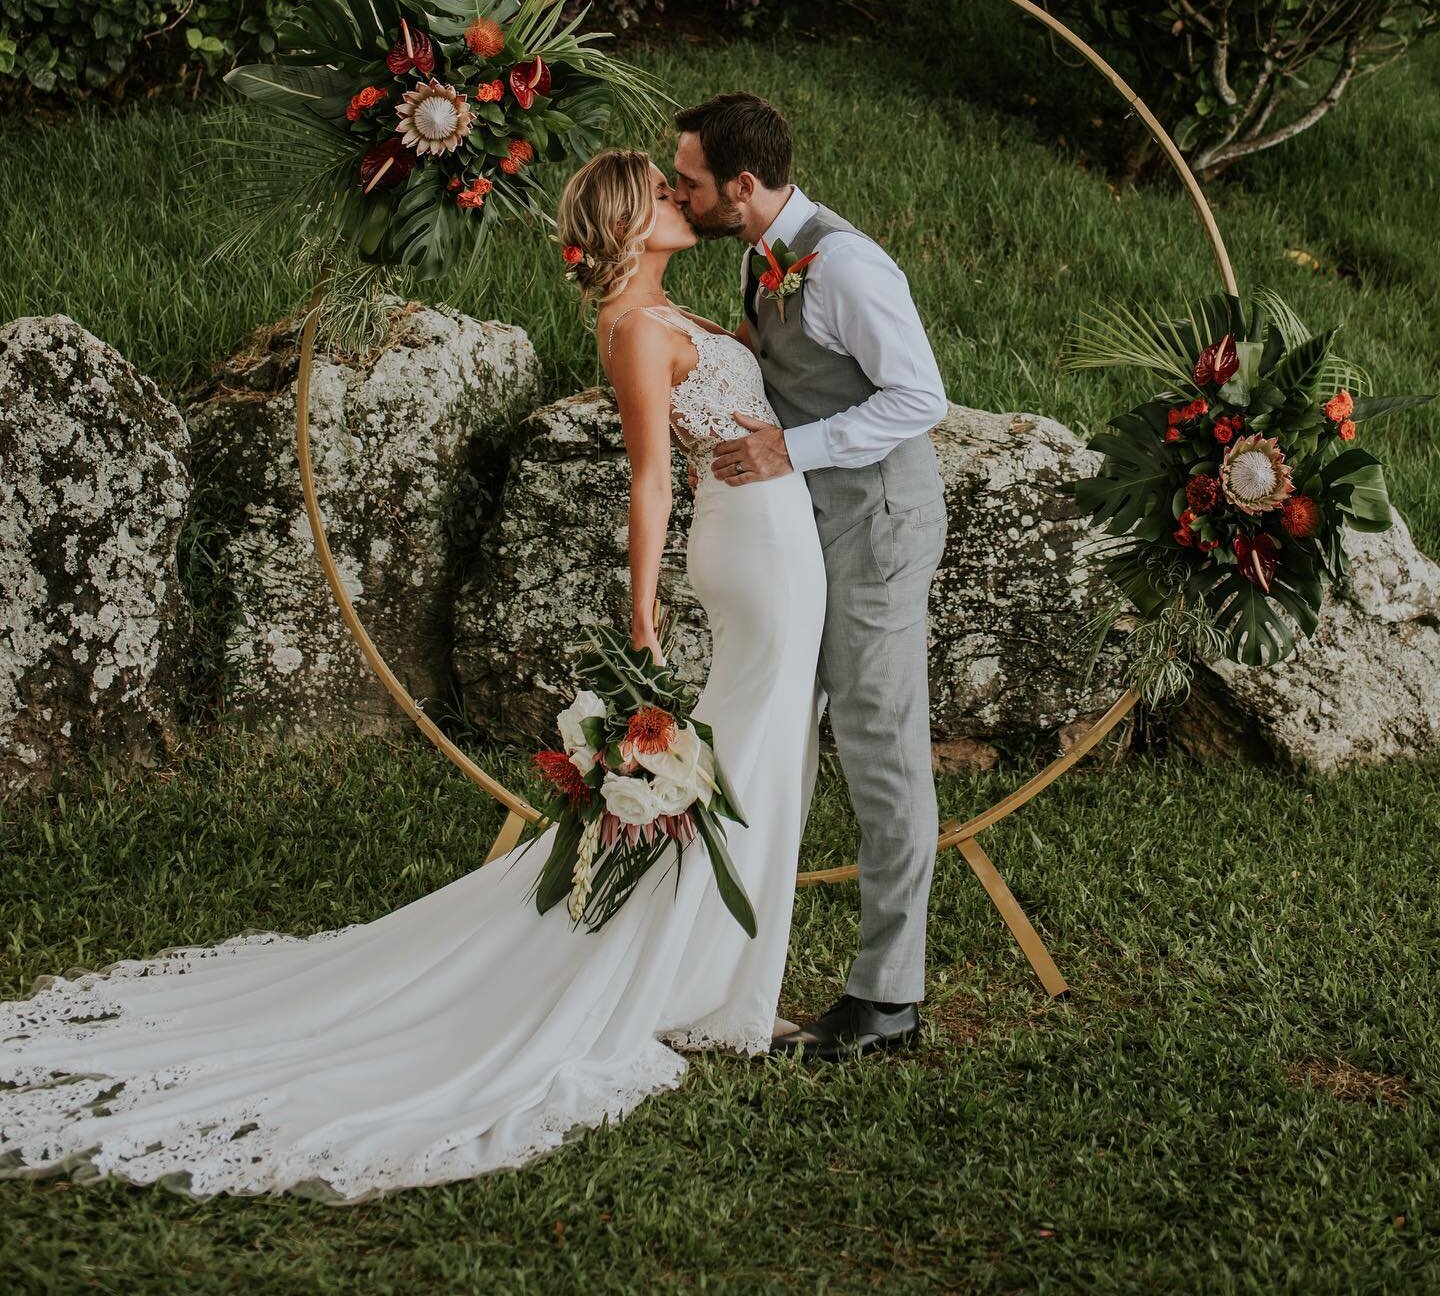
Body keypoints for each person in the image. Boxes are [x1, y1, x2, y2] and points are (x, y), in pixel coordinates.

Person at [0, 150, 828, 1201]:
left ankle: (717, 972)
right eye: (664, 196)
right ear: (627, 222)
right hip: (752, 554)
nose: (682, 201)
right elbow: (653, 473)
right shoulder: (633, 331)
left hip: (783, 538)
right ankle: (718, 990)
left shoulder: (685, 311)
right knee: (748, 753)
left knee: (765, 750)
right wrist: (642, 612)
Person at [672, 92, 949, 1059]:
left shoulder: (849, 266)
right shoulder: (761, 251)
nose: (680, 192)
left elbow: (922, 397)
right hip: (811, 525)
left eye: (690, 182)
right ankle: (718, 961)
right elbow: (787, 352)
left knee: (880, 749)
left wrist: (791, 446)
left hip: (876, 524)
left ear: (741, 187)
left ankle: (888, 1001)